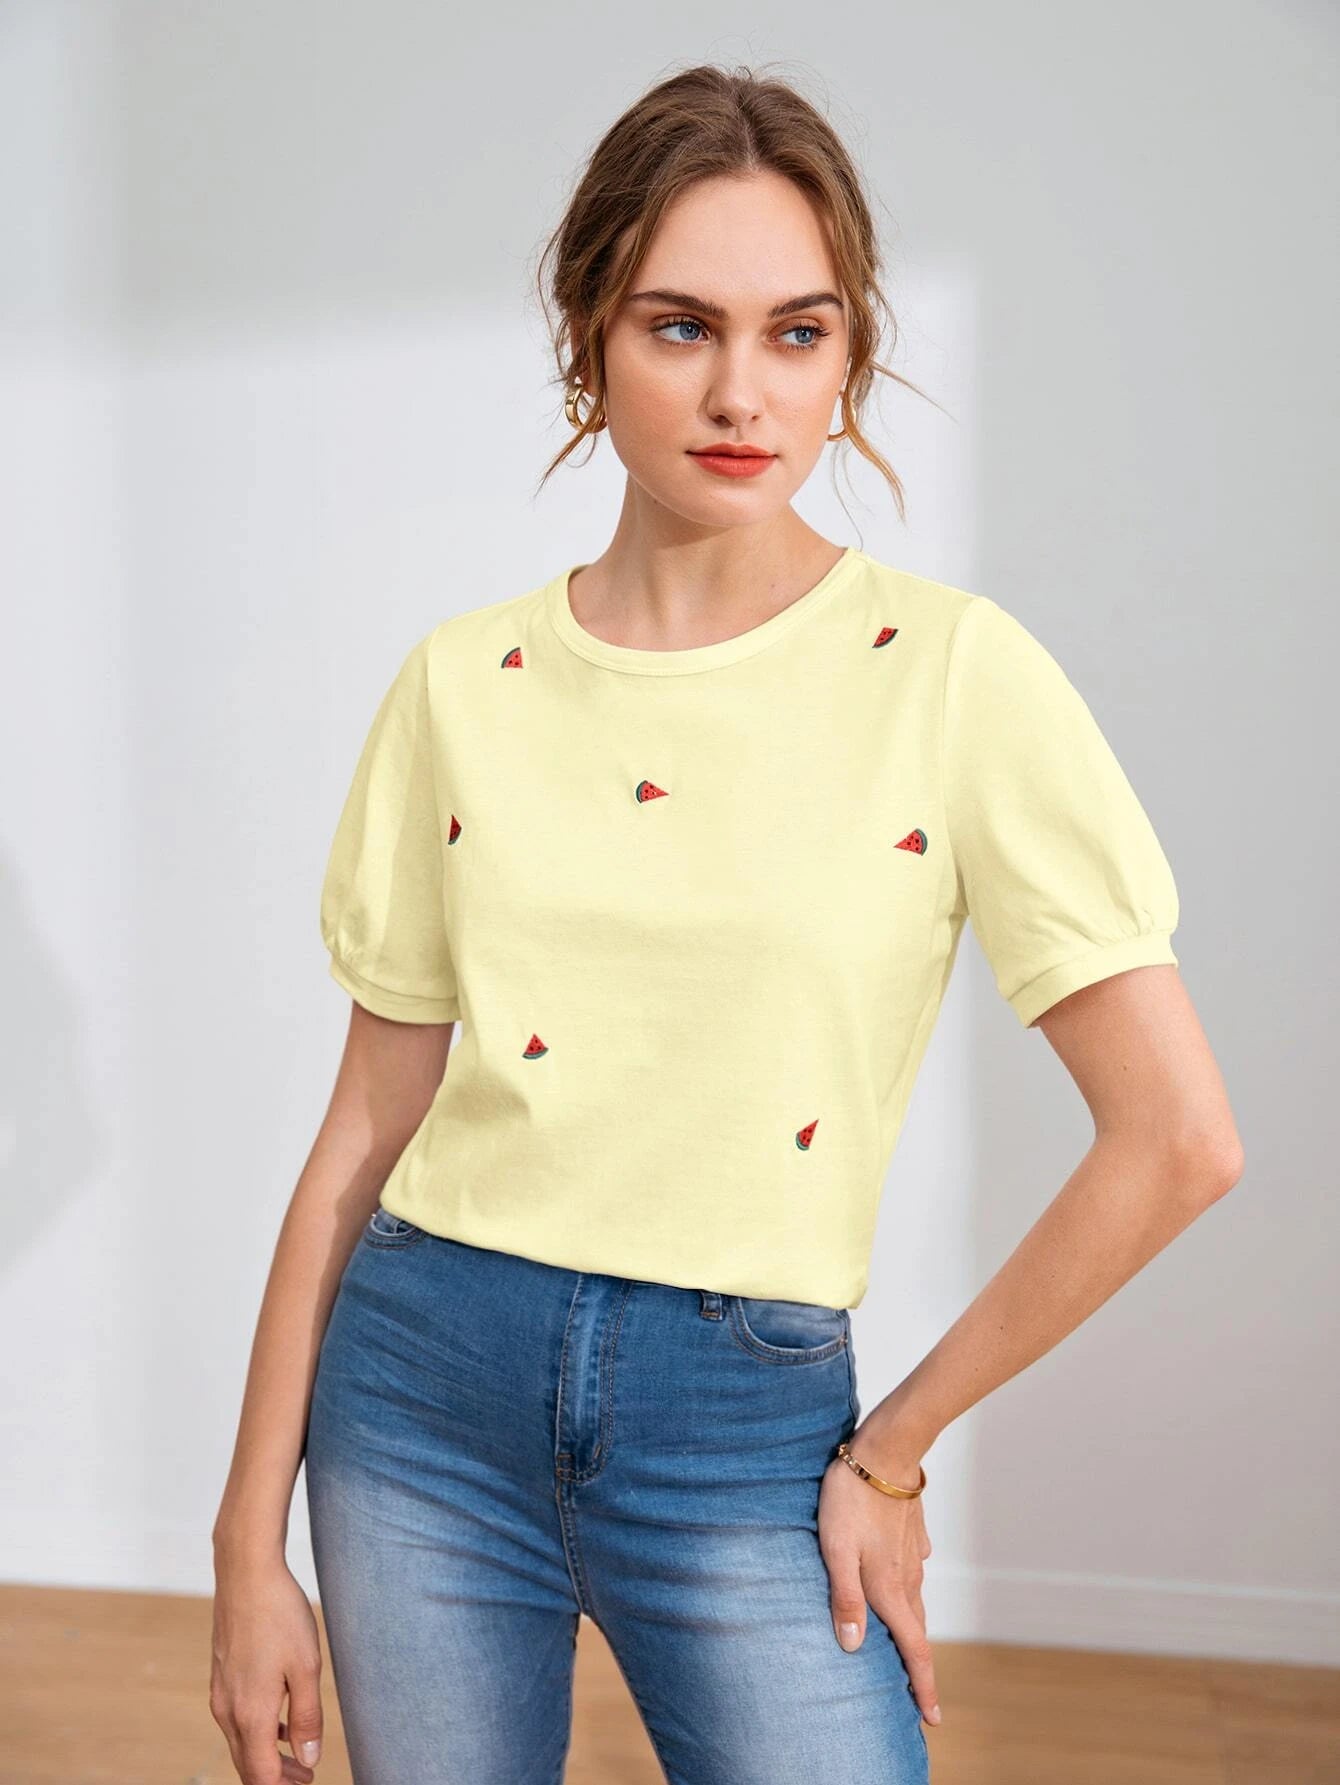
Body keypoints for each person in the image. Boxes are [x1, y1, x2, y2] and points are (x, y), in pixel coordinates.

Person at [209, 61, 1243, 1785]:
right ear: (589, 340)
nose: (741, 391)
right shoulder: (463, 684)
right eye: (680, 326)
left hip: (743, 1425)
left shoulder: (955, 679)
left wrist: (895, 1448)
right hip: (418, 1397)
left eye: (798, 332)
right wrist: (247, 1548)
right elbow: (357, 1141)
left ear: (850, 357)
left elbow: (1180, 1138)